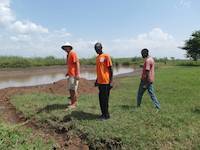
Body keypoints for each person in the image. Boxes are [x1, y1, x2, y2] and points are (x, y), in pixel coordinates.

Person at [94, 42, 113, 120]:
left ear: (101, 48)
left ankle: (106, 115)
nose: (97, 50)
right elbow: (99, 71)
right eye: (95, 49)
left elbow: (111, 69)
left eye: (98, 48)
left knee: (105, 99)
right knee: (101, 99)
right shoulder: (97, 58)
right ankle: (103, 114)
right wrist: (96, 80)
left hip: (106, 82)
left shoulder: (106, 56)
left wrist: (111, 82)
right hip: (100, 82)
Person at [61, 42, 80, 109]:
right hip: (70, 74)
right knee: (70, 89)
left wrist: (77, 74)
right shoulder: (68, 55)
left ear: (69, 47)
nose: (66, 48)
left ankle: (74, 104)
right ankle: (72, 102)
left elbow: (77, 63)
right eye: (65, 47)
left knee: (73, 89)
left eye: (67, 47)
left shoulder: (72, 53)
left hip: (74, 75)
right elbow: (71, 65)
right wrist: (68, 72)